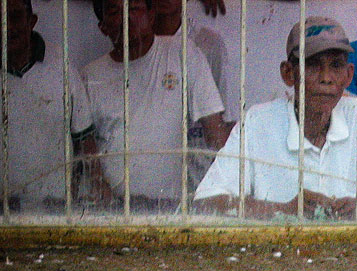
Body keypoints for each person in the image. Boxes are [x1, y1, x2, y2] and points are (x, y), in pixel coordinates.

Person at [194, 17, 357, 220]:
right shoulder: (259, 122)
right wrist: (282, 210)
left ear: (348, 75)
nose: (326, 78)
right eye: (313, 65)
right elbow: (207, 203)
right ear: (288, 73)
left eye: (336, 66)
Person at [83, 0, 228, 209]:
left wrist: (222, 196)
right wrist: (103, 194)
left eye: (134, 8)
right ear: (103, 27)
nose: (127, 18)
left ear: (151, 15)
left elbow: (217, 135)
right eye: (115, 11)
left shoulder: (183, 54)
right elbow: (85, 150)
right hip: (112, 210)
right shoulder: (90, 77)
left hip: (172, 209)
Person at [1, 0, 111, 209]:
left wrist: (98, 183)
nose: (7, 27)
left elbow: (84, 138)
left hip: (55, 207)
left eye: (14, 16)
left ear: (31, 21)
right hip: (4, 210)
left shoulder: (60, 63)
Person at [152, 0, 234, 188]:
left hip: (199, 173)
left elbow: (223, 120)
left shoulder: (208, 44)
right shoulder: (136, 44)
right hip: (155, 171)